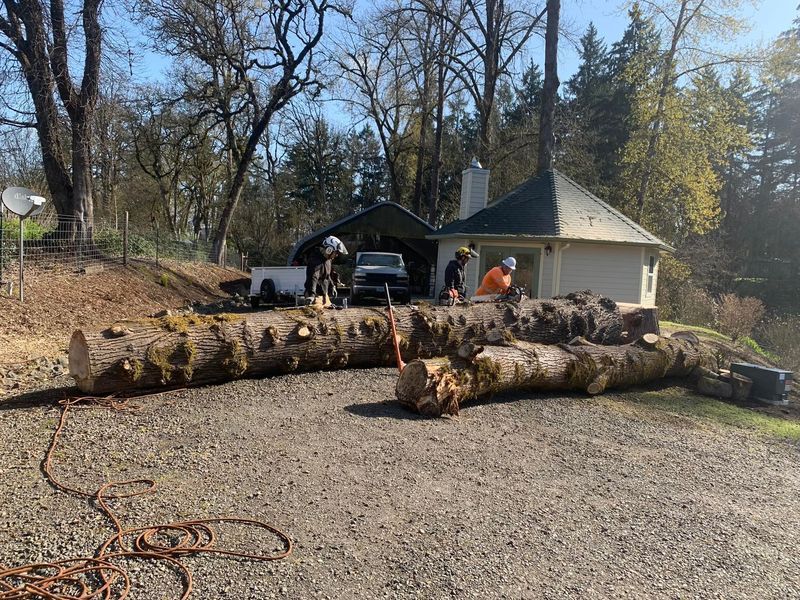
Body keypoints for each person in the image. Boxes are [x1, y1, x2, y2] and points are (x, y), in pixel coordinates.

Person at [305, 235, 348, 307]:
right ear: (329, 250)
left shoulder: (328, 260)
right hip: (315, 296)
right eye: (336, 252)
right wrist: (312, 295)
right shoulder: (315, 260)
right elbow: (313, 277)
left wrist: (332, 286)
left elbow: (327, 276)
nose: (336, 255)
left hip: (324, 296)